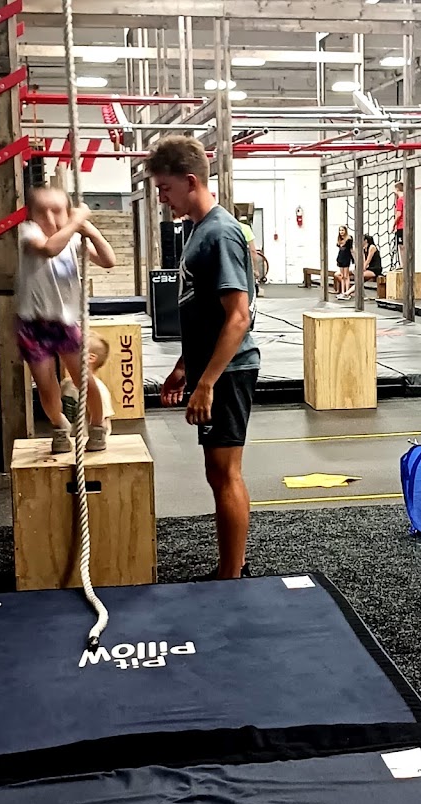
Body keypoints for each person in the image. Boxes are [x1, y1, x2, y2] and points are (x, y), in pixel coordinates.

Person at [146, 135, 258, 580]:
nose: (162, 197)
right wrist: (183, 367)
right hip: (212, 368)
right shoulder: (197, 230)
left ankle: (231, 577)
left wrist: (207, 382)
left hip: (228, 371)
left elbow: (238, 317)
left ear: (191, 182)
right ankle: (233, 566)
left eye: (165, 188)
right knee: (218, 472)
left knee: (225, 473)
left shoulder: (220, 232)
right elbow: (203, 311)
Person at [16, 186, 116, 454]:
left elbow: (108, 261)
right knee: (46, 384)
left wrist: (89, 230)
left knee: (83, 378)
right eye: (42, 212)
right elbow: (49, 249)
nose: (50, 218)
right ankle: (59, 424)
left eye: (57, 211)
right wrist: (75, 221)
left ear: (67, 212)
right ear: (31, 215)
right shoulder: (29, 233)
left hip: (65, 323)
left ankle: (98, 423)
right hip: (33, 324)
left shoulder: (73, 240)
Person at [60, 332, 115, 440]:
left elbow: (103, 423)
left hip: (87, 442)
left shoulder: (99, 390)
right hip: (69, 441)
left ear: (90, 358)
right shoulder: (66, 385)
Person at [336, 232, 354, 300]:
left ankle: (347, 291)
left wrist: (354, 259)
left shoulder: (349, 239)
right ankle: (343, 291)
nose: (341, 232)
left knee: (346, 276)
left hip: (346, 258)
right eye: (340, 230)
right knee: (342, 276)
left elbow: (351, 250)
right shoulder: (339, 240)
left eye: (343, 230)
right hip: (340, 258)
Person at [393, 181, 405, 266]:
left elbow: (399, 214)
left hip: (401, 226)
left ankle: (403, 265)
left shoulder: (400, 200)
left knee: (401, 246)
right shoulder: (406, 198)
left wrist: (393, 225)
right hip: (406, 226)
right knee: (404, 245)